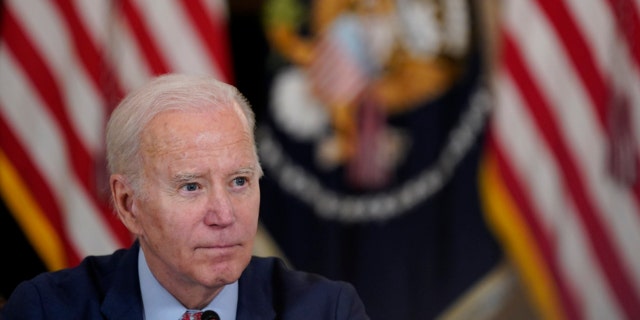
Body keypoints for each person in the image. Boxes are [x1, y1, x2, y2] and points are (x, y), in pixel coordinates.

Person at [0, 74, 369, 320]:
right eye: (191, 186)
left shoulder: (327, 311)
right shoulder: (47, 310)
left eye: (239, 181)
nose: (224, 215)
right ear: (129, 204)